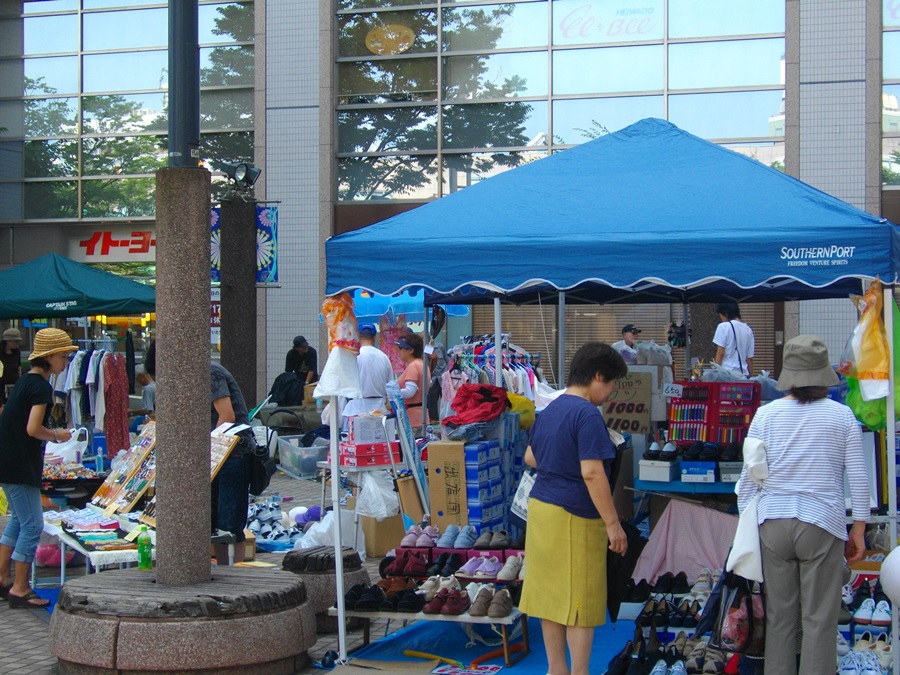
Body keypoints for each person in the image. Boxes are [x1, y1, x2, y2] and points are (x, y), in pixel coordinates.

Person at [736, 335, 868, 675]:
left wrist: (746, 525)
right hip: (821, 522)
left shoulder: (765, 415)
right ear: (824, 375)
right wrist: (859, 528)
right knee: (818, 619)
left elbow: (748, 478)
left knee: (780, 618)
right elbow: (859, 476)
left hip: (773, 523)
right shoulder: (842, 417)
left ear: (788, 376)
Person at [518, 341, 629, 675]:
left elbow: (530, 457)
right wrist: (614, 525)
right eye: (610, 384)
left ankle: (557, 670)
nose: (609, 392)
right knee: (580, 600)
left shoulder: (550, 409)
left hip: (542, 510)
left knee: (550, 599)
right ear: (597, 376)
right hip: (576, 515)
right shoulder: (587, 414)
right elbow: (592, 473)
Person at [144, 341, 252, 564]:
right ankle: (224, 573)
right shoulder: (192, 376)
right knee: (213, 525)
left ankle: (239, 579)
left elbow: (227, 416)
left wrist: (206, 449)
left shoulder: (210, 372)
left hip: (233, 455)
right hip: (214, 458)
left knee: (229, 526)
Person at [0, 328, 76, 608]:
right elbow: (33, 429)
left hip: (9, 460)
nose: (66, 362)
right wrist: (57, 435)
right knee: (32, 524)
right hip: (19, 463)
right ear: (50, 356)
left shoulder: (25, 380)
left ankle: (3, 579)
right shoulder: (41, 387)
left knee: (19, 521)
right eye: (64, 356)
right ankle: (20, 588)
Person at [342, 323, 392, 423]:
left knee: (352, 438)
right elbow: (390, 387)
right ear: (374, 337)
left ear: (358, 336)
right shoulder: (384, 357)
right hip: (379, 411)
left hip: (356, 410)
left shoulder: (354, 355)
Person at [713, 302, 754, 377]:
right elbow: (750, 359)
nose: (721, 318)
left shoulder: (723, 327)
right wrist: (750, 377)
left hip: (726, 374)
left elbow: (720, 352)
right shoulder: (748, 330)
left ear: (726, 313)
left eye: (720, 316)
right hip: (743, 375)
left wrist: (715, 372)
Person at [395, 333, 425, 435]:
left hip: (413, 418)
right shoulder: (422, 364)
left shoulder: (413, 366)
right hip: (420, 415)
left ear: (411, 350)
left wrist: (391, 392)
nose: (399, 351)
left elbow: (410, 391)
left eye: (401, 348)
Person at [0, 328, 23, 407]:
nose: (17, 344)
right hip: (2, 384)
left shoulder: (16, 353)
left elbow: (19, 368)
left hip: (14, 383)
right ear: (8, 341)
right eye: (15, 341)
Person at [129, 368, 156, 433]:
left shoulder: (148, 389)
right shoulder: (155, 385)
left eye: (137, 379)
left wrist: (131, 413)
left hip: (152, 419)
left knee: (133, 428)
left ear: (141, 376)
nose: (138, 382)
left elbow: (147, 410)